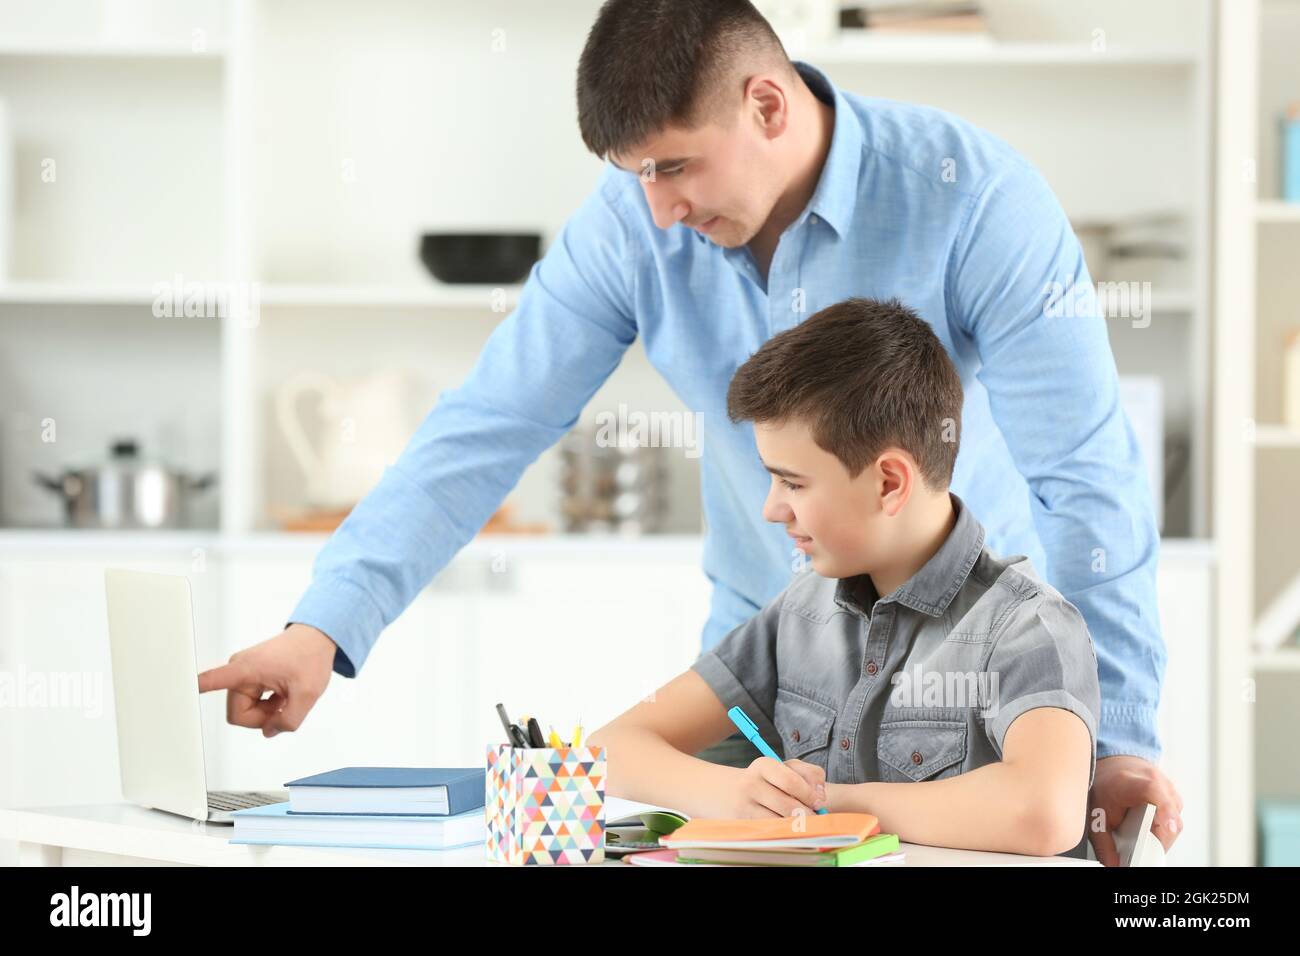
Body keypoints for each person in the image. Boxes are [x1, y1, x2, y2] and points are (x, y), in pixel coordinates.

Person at [197, 0, 1183, 864]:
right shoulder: (632, 223)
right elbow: (489, 423)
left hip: (972, 701)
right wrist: (323, 628)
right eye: (634, 175)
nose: (658, 210)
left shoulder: (973, 200)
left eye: (673, 165)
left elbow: (1083, 476)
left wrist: (1120, 738)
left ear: (767, 104)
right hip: (767, 678)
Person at [588, 297, 1100, 857]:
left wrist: (833, 805)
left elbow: (1045, 812)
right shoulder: (803, 610)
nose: (772, 509)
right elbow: (614, 745)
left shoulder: (1027, 627)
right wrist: (738, 794)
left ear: (889, 483)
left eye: (793, 483)